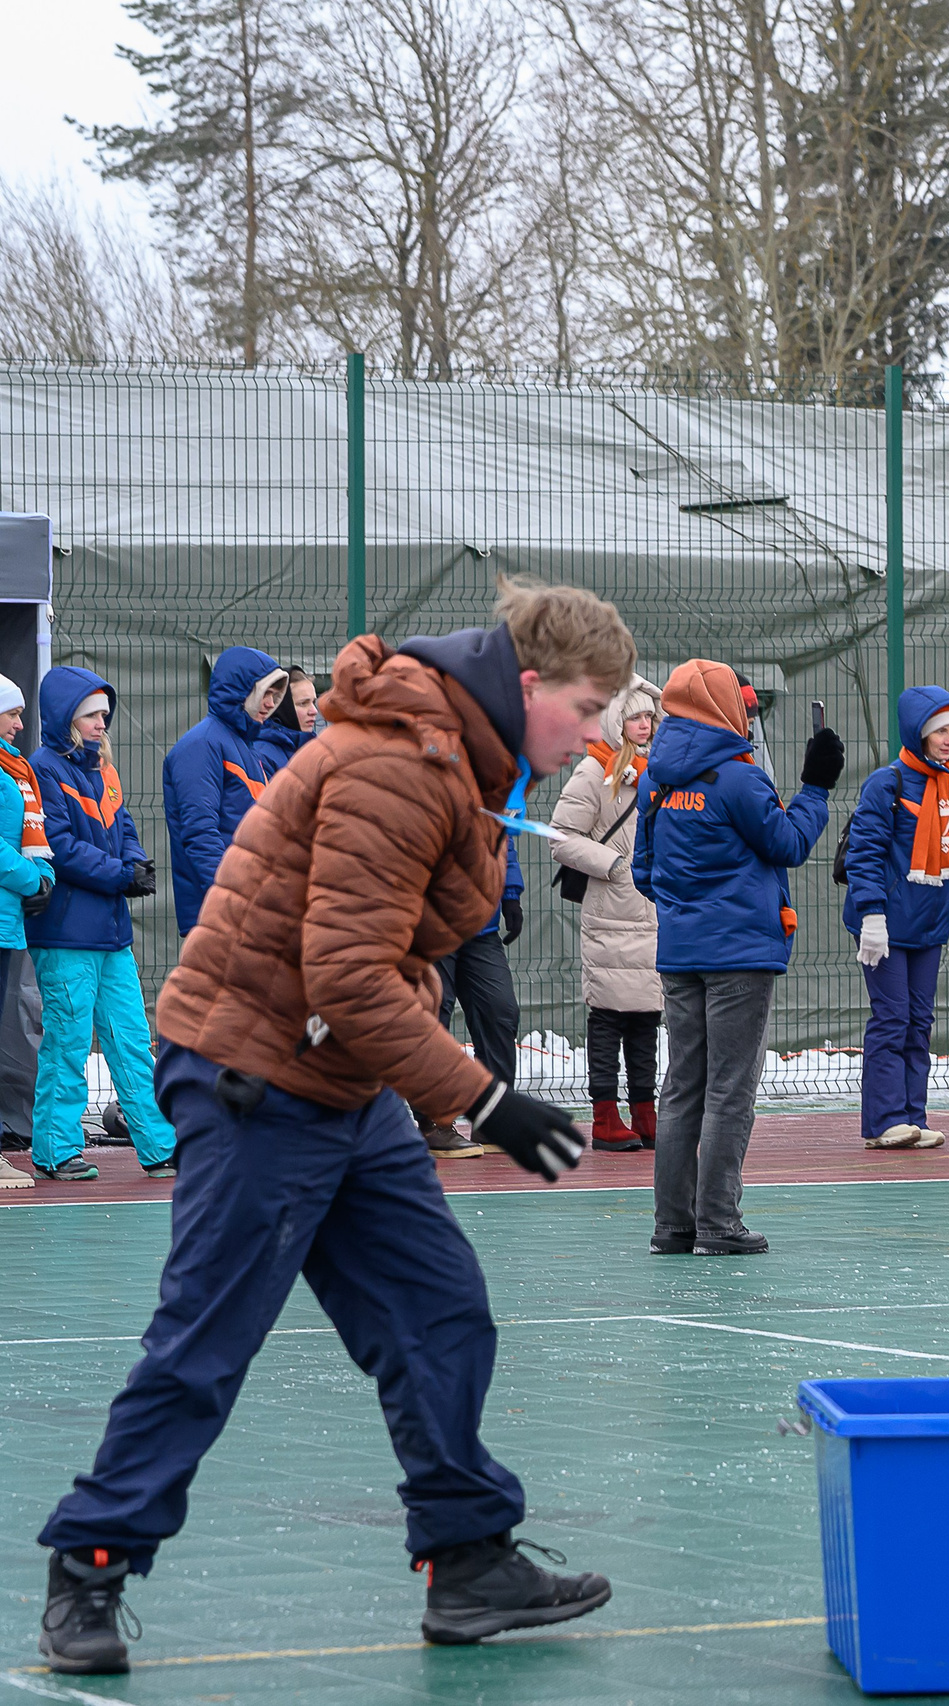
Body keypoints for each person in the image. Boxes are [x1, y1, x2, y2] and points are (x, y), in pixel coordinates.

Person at [35, 579, 628, 1675]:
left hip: (339, 1080)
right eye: (586, 710)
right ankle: (89, 1560)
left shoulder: (464, 759)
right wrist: (485, 1097)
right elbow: (348, 973)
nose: (593, 736)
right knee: (208, 1338)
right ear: (531, 684)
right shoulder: (402, 761)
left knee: (441, 1307)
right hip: (258, 1073)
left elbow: (404, 941)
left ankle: (466, 1556)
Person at [632, 660, 840, 1254]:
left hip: (681, 950)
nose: (748, 712)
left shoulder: (658, 778)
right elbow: (788, 843)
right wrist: (817, 787)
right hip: (740, 952)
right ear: (726, 707)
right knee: (730, 1089)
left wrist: (685, 906)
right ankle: (718, 1222)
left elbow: (645, 869)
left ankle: (673, 1224)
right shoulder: (737, 777)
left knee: (682, 1086)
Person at [25, 668, 174, 1183]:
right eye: (91, 714)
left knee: (132, 1039)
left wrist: (134, 863)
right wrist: (121, 874)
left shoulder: (103, 770)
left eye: (103, 715)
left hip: (110, 934)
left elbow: (125, 826)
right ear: (67, 716)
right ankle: (55, 1149)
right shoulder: (43, 769)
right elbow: (59, 847)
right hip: (66, 934)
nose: (100, 723)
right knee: (68, 1042)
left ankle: (159, 1145)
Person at [841, 685, 949, 1151]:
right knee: (892, 1017)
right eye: (940, 729)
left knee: (920, 1019)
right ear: (918, 732)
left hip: (929, 924)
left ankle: (912, 1117)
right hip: (886, 925)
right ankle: (884, 1120)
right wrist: (871, 917)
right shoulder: (887, 782)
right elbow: (864, 854)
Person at [552, 675, 663, 1152]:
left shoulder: (660, 769)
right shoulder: (593, 772)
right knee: (609, 1016)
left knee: (646, 1016)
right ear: (617, 722)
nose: (645, 724)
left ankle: (644, 1110)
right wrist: (614, 864)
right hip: (611, 912)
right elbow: (560, 837)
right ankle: (604, 1117)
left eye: (650, 716)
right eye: (635, 716)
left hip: (651, 911)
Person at [418, 778, 525, 1161]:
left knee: (500, 1009)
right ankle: (434, 1122)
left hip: (481, 926)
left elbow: (501, 838)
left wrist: (510, 892)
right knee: (434, 1014)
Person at [162, 645, 286, 936]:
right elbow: (201, 834)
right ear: (241, 690)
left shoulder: (245, 747)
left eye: (275, 696)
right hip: (224, 913)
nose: (270, 704)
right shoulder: (202, 745)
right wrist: (235, 898)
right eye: (264, 693)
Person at [0, 675, 51, 1189]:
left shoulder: (15, 771)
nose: (20, 723)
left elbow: (31, 838)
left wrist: (44, 876)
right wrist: (34, 878)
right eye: (12, 713)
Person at [259, 665, 318, 769]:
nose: (314, 711)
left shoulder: (314, 749)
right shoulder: (263, 756)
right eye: (303, 703)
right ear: (282, 707)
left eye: (313, 702)